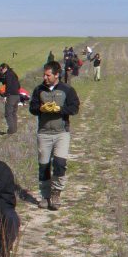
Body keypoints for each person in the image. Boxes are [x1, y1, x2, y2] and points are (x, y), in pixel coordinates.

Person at [29, 62, 80, 211]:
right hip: (44, 133)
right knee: (44, 165)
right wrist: (40, 108)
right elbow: (32, 108)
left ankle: (56, 193)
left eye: (48, 75)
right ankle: (45, 196)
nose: (45, 77)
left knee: (59, 163)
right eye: (44, 75)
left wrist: (60, 109)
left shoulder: (67, 90)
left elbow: (74, 108)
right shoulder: (39, 90)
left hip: (61, 133)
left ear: (56, 74)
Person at [0, 63, 22, 134]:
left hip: (11, 96)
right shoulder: (13, 74)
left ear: (5, 68)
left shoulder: (8, 75)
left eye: (2, 69)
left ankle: (11, 131)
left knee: (8, 114)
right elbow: (18, 86)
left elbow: (8, 85)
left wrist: (6, 95)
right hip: (17, 95)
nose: (1, 71)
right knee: (13, 113)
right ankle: (14, 130)